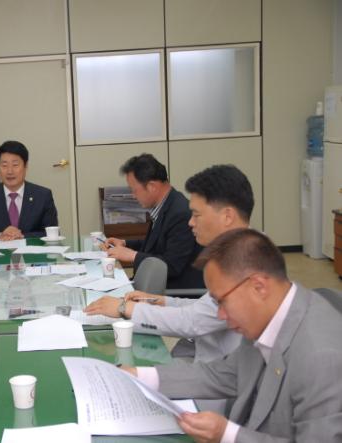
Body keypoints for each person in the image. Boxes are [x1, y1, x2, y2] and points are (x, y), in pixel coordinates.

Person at [120, 229, 342, 442]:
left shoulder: (321, 357)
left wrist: (226, 435)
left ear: (258, 287)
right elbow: (225, 374)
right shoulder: (266, 314)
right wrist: (136, 376)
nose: (220, 315)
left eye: (222, 301)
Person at [86, 165, 253, 362]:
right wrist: (158, 300)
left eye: (197, 215)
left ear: (227, 217)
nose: (191, 222)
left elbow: (192, 321)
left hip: (214, 367)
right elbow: (206, 307)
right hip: (199, 349)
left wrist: (124, 308)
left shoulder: (244, 263)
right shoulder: (237, 251)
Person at [104, 154, 202, 290]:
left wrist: (133, 256)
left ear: (151, 186)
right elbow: (157, 245)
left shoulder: (180, 214)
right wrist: (125, 243)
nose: (133, 196)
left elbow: (172, 266)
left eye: (134, 190)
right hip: (153, 287)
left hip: (171, 293)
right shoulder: (166, 205)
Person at [0, 141, 58, 240]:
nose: (10, 171)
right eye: (4, 165)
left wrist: (21, 236)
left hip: (31, 249)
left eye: (15, 165)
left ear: (25, 166)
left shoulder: (43, 196)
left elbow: (52, 233)